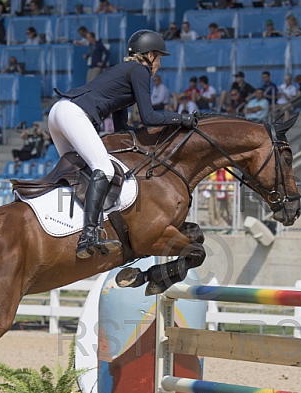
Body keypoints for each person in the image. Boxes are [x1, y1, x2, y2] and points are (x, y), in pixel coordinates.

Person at [49, 29, 196, 259]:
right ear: (149, 55)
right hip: (74, 114)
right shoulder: (141, 70)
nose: (158, 63)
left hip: (59, 111)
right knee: (104, 169)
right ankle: (88, 237)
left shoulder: (125, 69)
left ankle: (60, 224)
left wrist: (127, 133)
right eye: (158, 57)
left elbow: (119, 116)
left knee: (78, 173)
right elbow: (149, 117)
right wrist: (181, 118)